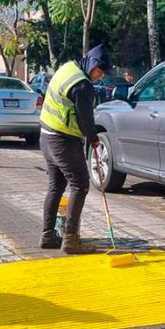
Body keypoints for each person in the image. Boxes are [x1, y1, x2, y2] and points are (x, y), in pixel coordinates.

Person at [39, 44, 111, 254]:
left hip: (46, 135)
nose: (99, 76)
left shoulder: (67, 68)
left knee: (56, 185)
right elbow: (86, 119)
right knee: (80, 184)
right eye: (99, 71)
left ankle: (48, 235)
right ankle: (71, 238)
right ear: (92, 64)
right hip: (63, 140)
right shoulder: (83, 85)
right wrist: (93, 137)